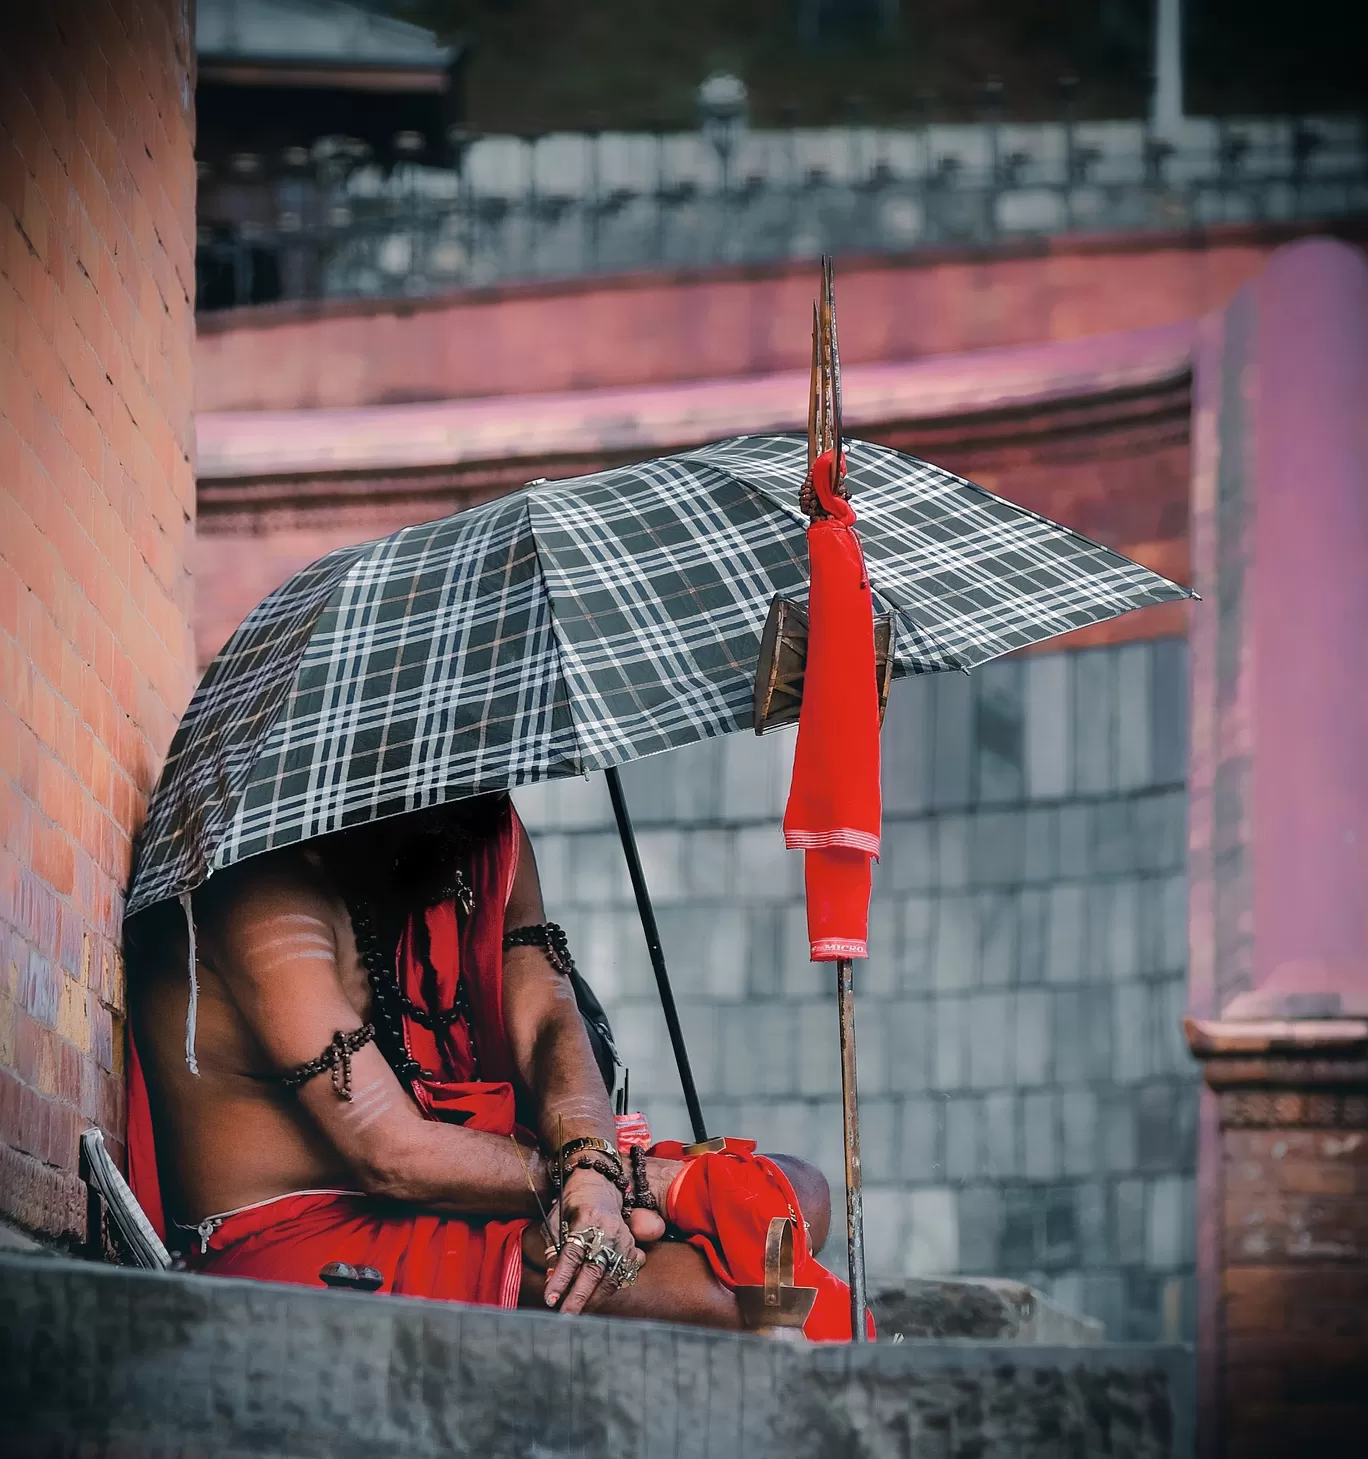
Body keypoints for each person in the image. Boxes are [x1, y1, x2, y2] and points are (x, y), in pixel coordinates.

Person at [126, 794, 863, 1336]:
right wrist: (598, 1181)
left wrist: (597, 1166)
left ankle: (656, 1196)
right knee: (724, 1293)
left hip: (468, 1182)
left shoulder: (474, 829)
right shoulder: (262, 892)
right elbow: (389, 1153)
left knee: (801, 1192)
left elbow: (545, 1011)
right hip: (306, 1231)